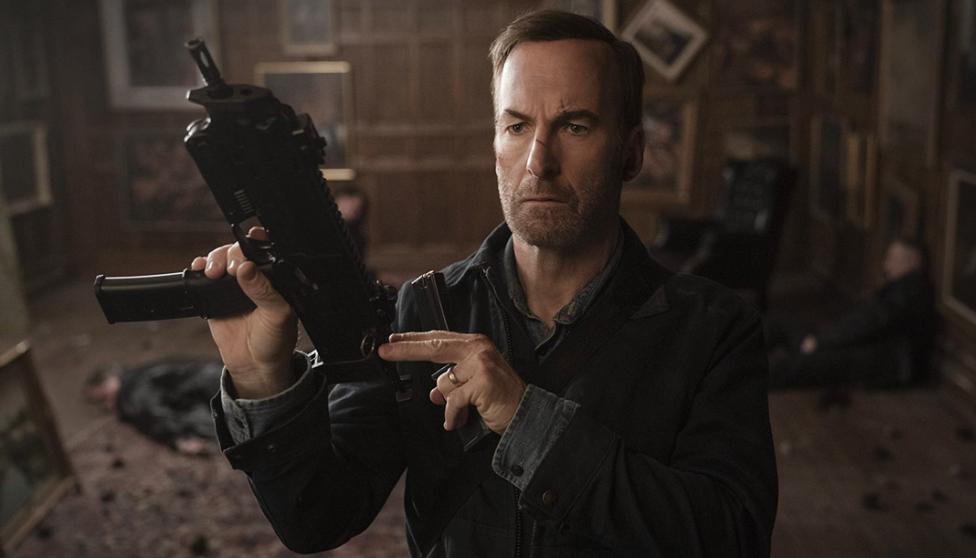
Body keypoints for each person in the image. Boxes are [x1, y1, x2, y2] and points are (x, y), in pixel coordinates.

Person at [192, 11, 777, 556]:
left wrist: (528, 421)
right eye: (517, 126)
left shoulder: (713, 328)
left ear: (631, 153)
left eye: (575, 126)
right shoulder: (426, 308)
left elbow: (734, 536)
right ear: (495, 144)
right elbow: (317, 516)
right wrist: (261, 380)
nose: (538, 162)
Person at [767, 238, 936, 389]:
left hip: (880, 362)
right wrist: (822, 337)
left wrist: (821, 341)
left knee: (795, 366)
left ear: (914, 261)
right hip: (861, 345)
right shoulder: (902, 287)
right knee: (782, 325)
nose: (886, 265)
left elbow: (869, 323)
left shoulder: (910, 292)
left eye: (893, 259)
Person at [83, 358, 221, 455]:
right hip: (216, 377)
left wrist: (178, 440)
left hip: (214, 388)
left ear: (110, 381)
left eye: (103, 398)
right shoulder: (138, 378)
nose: (107, 405)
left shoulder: (132, 393)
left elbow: (156, 415)